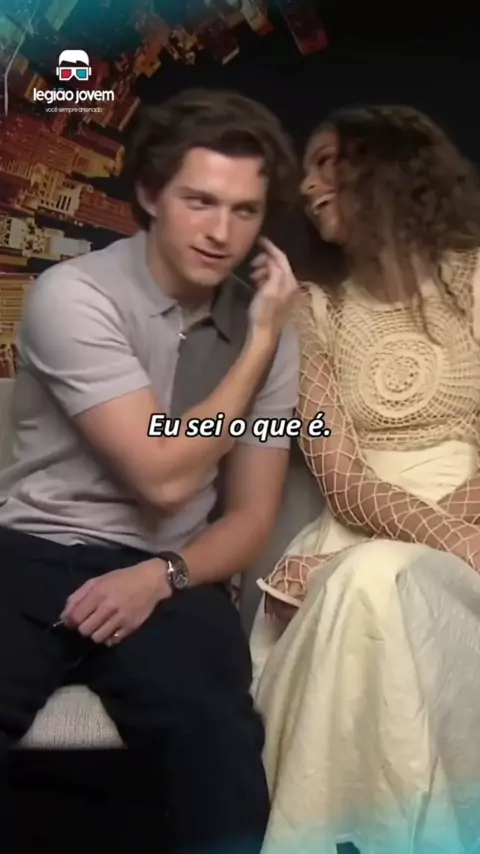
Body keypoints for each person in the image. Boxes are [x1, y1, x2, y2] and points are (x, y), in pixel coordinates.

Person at [0, 88, 301, 854]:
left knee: (216, 734)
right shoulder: (74, 295)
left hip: (167, 569)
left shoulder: (267, 329)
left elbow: (251, 517)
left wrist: (164, 575)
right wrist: (258, 348)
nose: (220, 231)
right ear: (149, 195)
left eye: (244, 210)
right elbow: (160, 476)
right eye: (200, 201)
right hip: (33, 553)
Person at [250, 105, 480, 854]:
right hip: (354, 543)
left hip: (465, 537)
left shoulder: (477, 281)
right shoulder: (312, 311)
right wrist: (442, 543)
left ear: (391, 168)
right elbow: (341, 478)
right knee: (372, 578)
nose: (307, 185)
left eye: (328, 163)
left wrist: (457, 542)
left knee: (371, 578)